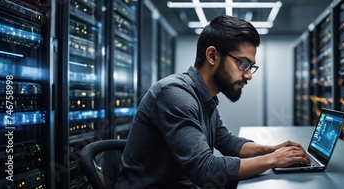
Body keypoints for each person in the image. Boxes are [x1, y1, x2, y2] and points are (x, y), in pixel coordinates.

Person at [114, 15, 310, 189]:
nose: (249, 75)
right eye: (243, 64)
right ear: (212, 56)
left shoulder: (203, 96)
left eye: (251, 66)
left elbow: (226, 141)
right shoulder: (174, 94)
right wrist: (273, 159)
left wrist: (273, 150)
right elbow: (204, 169)